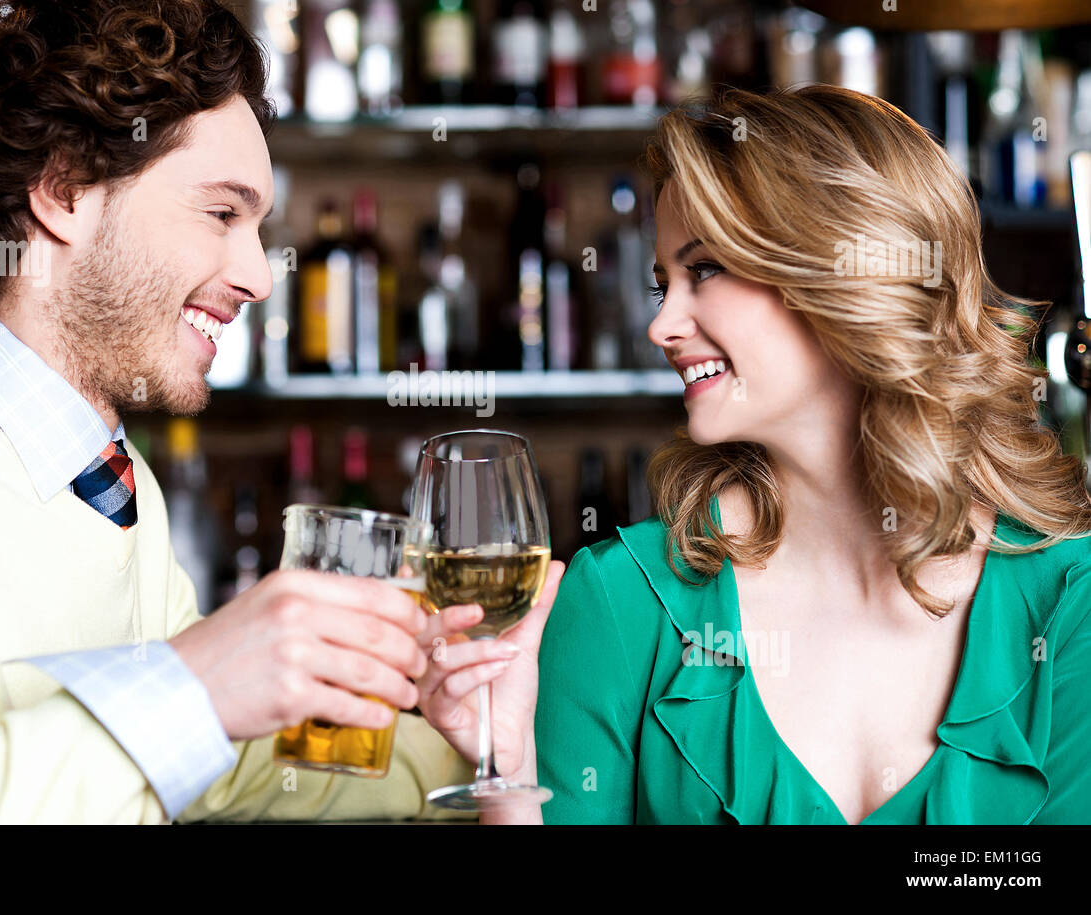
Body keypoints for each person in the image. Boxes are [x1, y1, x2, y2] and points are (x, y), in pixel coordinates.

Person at [0, 0, 562, 824]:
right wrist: (192, 685)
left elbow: (215, 769)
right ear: (65, 192)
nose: (256, 276)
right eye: (222, 214)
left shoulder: (112, 481)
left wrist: (470, 742)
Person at [418, 84, 1091, 824]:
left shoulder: (1065, 603)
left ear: (843, 272)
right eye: (661, 283)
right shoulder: (622, 599)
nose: (662, 325)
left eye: (703, 269)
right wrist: (508, 769)